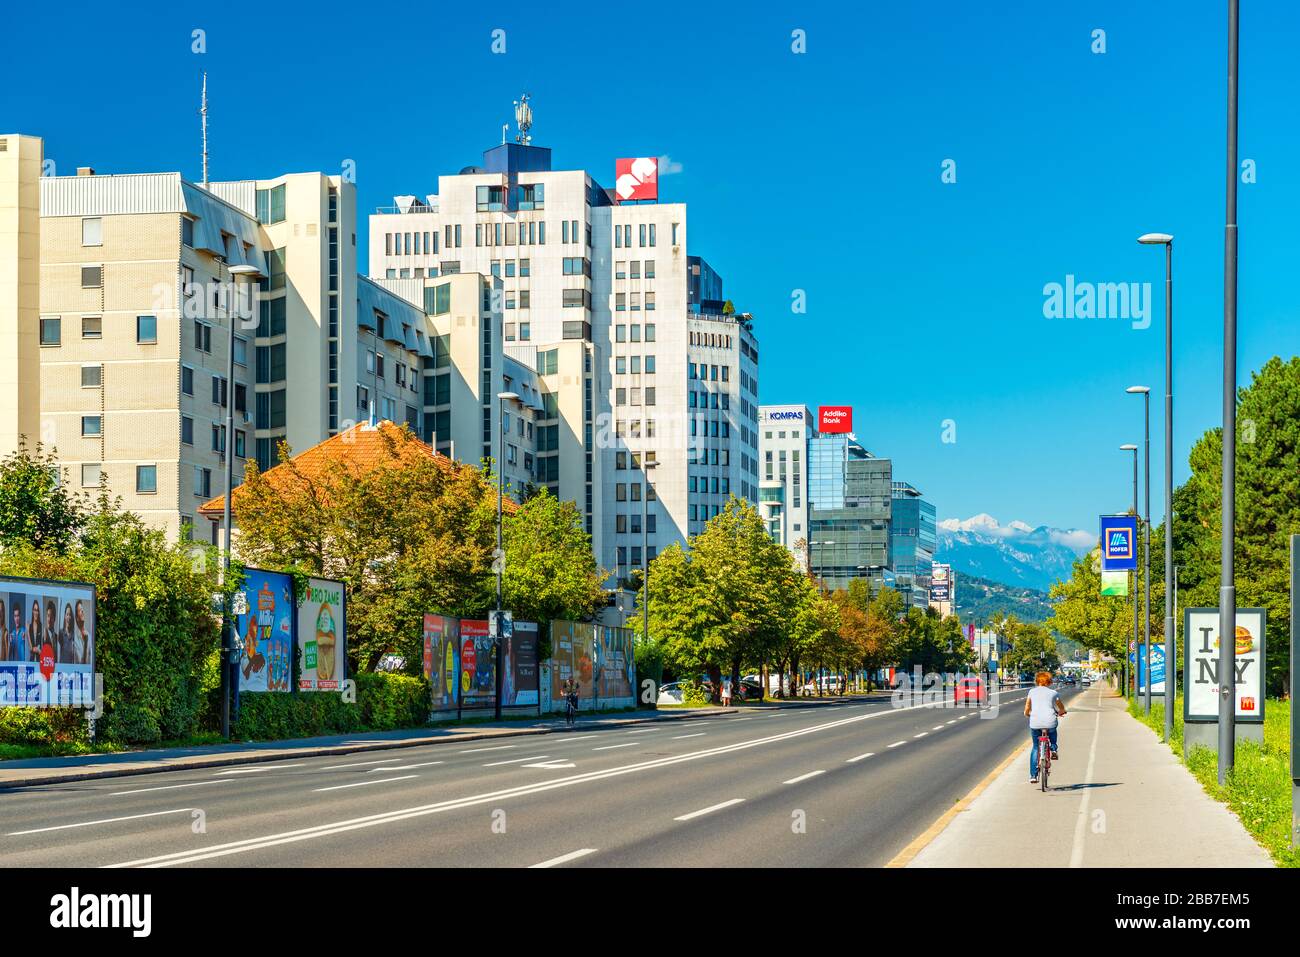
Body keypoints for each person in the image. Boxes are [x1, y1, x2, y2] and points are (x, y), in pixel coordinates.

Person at [1024, 670, 1067, 783]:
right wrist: (1062, 711)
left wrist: (1027, 713)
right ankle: (1053, 748)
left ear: (1037, 681)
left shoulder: (1031, 692)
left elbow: (1027, 706)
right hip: (1050, 720)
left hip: (1035, 722)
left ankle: (1033, 775)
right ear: (1049, 682)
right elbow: (1060, 705)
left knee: (1035, 747)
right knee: (1052, 731)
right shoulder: (1053, 693)